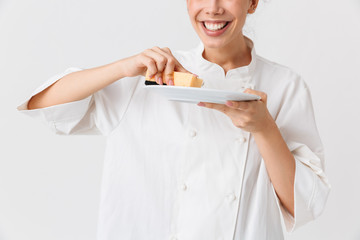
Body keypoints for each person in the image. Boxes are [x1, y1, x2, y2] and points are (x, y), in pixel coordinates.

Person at [17, 0, 331, 239]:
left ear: (252, 2)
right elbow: (45, 105)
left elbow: (303, 203)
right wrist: (123, 67)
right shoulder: (152, 75)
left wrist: (264, 128)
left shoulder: (285, 86)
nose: (213, 9)